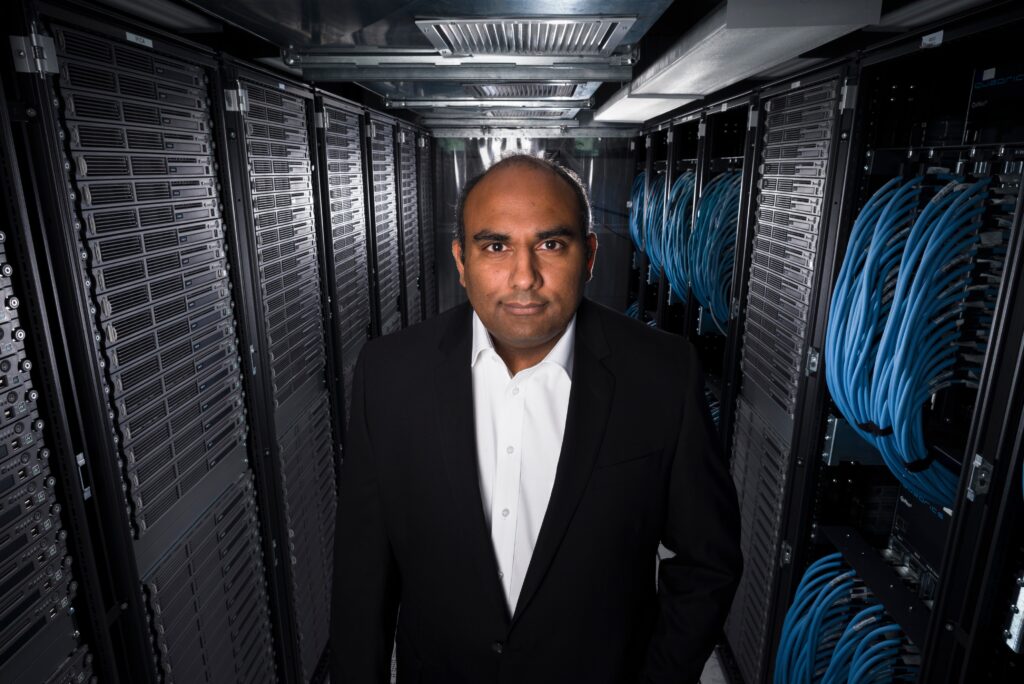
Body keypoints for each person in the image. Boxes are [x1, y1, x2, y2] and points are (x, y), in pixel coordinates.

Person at [330, 154, 743, 683]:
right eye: (495, 246)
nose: (524, 277)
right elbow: (363, 574)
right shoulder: (390, 374)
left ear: (589, 255)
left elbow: (708, 560)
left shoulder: (662, 374)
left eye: (551, 244)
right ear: (461, 260)